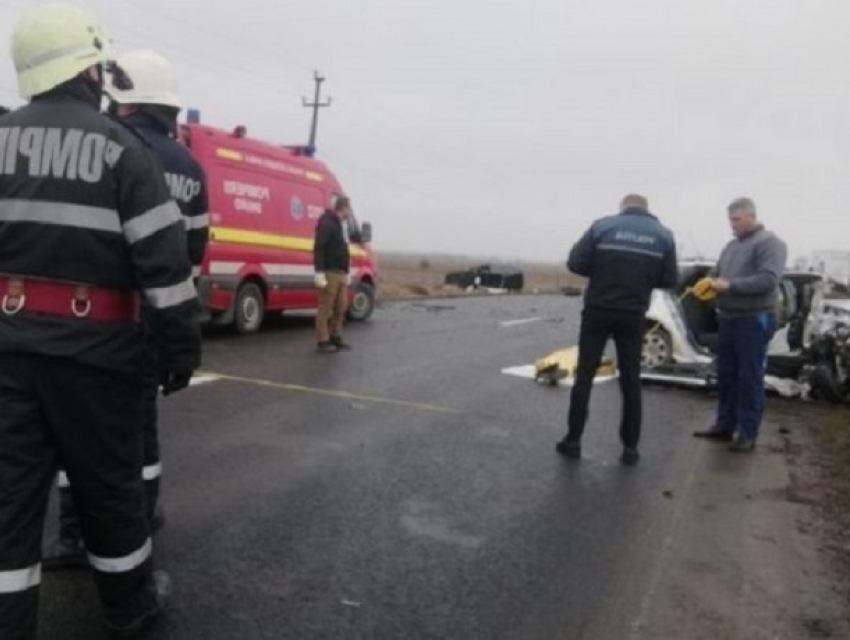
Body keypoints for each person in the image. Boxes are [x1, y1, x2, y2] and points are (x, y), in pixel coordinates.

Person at [0, 3, 201, 638]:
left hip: (7, 351)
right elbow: (165, 266)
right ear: (90, 70)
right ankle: (130, 608)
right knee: (109, 487)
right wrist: (179, 351)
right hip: (98, 356)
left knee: (9, 501)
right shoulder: (122, 150)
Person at [44, 49, 210, 570]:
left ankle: (77, 533)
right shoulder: (191, 167)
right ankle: (145, 512)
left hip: (103, 319)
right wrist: (177, 329)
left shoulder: (115, 145)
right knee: (141, 423)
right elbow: (193, 255)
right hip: (158, 317)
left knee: (81, 430)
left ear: (125, 100)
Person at [555, 194, 678, 464]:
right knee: (631, 380)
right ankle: (630, 449)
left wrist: (603, 270)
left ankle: (573, 440)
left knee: (584, 376)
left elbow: (575, 262)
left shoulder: (602, 226)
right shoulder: (664, 235)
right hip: (633, 314)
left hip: (598, 309)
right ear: (648, 210)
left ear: (623, 207)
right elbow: (670, 279)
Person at [693, 198, 787, 452]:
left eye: (736, 220)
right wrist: (709, 282)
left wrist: (730, 285)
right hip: (728, 318)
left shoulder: (770, 243)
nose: (732, 226)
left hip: (754, 319)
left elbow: (768, 280)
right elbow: (717, 272)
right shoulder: (731, 246)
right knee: (726, 375)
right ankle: (724, 426)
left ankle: (747, 433)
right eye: (730, 220)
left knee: (750, 377)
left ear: (751, 216)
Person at [314, 195, 353, 353]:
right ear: (343, 208)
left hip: (341, 272)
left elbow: (344, 250)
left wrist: (347, 271)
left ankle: (335, 337)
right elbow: (319, 248)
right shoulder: (327, 223)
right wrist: (319, 272)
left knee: (340, 307)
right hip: (329, 272)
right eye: (349, 208)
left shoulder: (341, 225)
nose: (351, 212)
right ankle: (322, 340)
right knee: (325, 308)